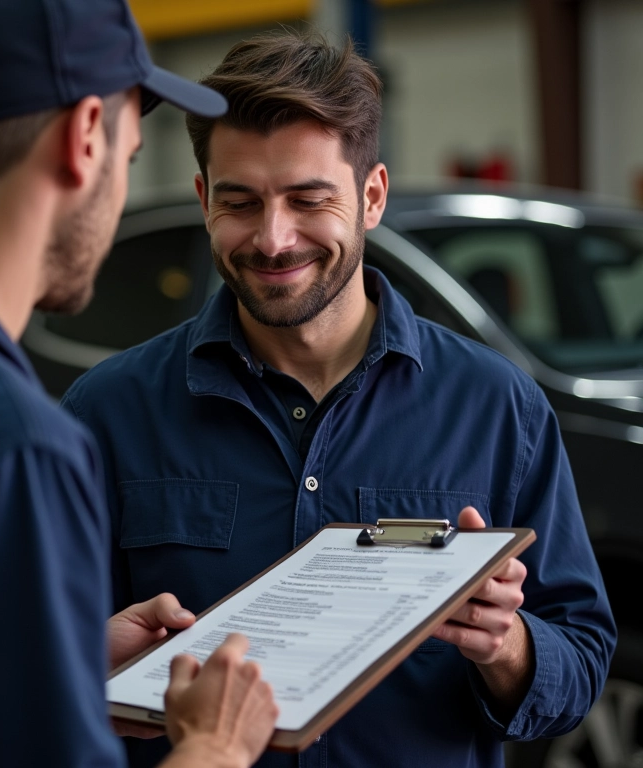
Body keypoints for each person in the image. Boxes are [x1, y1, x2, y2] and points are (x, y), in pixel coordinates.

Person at [61, 28, 617, 768]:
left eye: (307, 199)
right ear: (203, 201)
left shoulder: (497, 408)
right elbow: (35, 660)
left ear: (371, 196)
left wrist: (508, 646)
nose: (273, 237)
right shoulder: (109, 412)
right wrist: (87, 670)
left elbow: (580, 661)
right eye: (241, 203)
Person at [0, 1, 280, 766]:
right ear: (84, 134)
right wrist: (216, 747)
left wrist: (56, 664)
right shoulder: (12, 450)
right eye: (129, 157)